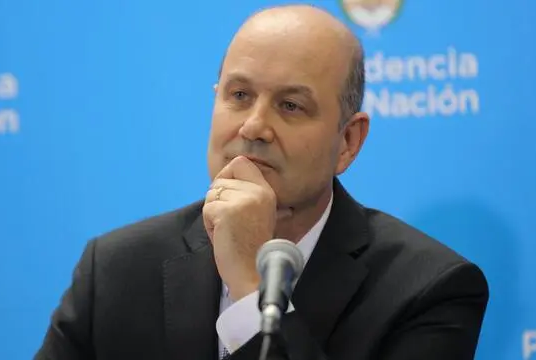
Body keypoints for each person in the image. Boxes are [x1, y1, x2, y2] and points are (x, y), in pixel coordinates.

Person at [34, 4, 489, 360]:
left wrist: (250, 283)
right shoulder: (116, 268)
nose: (253, 126)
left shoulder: (429, 289)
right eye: (239, 95)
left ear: (348, 141)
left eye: (290, 105)